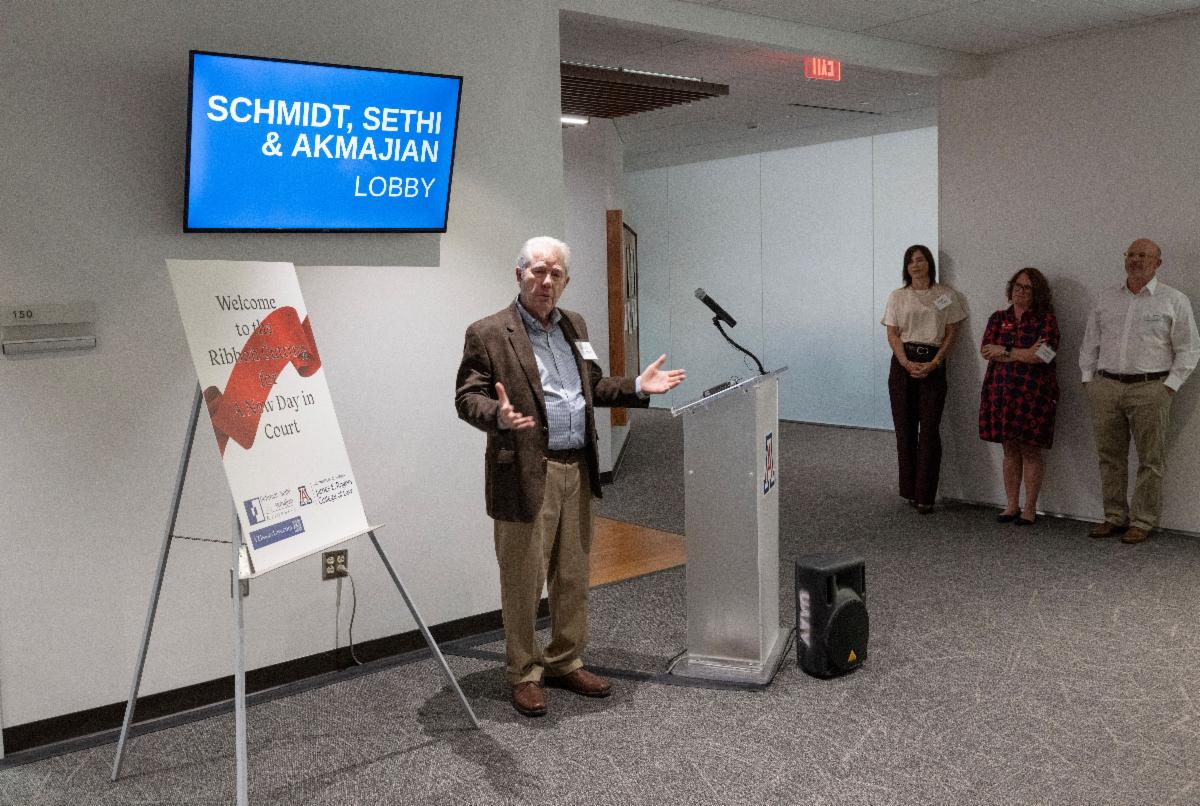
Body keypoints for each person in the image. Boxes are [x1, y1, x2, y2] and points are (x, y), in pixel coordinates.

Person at [455, 236, 685, 717]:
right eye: (538, 271)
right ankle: (523, 672)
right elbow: (467, 397)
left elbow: (592, 386)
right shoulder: (488, 332)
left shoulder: (574, 325)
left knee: (573, 575)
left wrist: (636, 386)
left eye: (555, 274)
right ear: (519, 273)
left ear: (565, 281)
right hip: (524, 471)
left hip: (576, 467)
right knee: (523, 580)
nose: (546, 281)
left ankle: (565, 659)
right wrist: (498, 415)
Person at [1079, 238, 1199, 544]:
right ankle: (1114, 516)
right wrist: (1088, 380)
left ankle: (1143, 520)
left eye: (1143, 255)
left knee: (1150, 459)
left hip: (1151, 388)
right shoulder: (1106, 298)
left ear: (1158, 262)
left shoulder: (1174, 300)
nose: (1135, 260)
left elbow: (1189, 349)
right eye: (1131, 254)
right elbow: (1090, 341)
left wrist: (1169, 387)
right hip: (1106, 387)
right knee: (1110, 456)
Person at [882, 244, 966, 514]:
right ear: (906, 267)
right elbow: (893, 333)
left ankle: (925, 496)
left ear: (929, 263)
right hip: (902, 365)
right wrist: (905, 362)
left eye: (920, 260)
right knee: (905, 430)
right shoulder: (898, 296)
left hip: (933, 362)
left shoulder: (945, 295)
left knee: (929, 431)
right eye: (910, 261)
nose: (916, 265)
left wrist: (935, 362)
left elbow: (952, 333)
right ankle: (909, 490)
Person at [978, 268, 1060, 526]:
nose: (1020, 291)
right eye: (1017, 286)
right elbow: (986, 351)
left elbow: (1044, 355)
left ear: (1037, 293)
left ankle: (1030, 508)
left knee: (1030, 451)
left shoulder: (1046, 320)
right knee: (1010, 449)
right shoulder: (998, 318)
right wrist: (1023, 352)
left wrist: (1005, 350)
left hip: (1033, 396)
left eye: (1027, 288)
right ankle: (1011, 505)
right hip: (1001, 392)